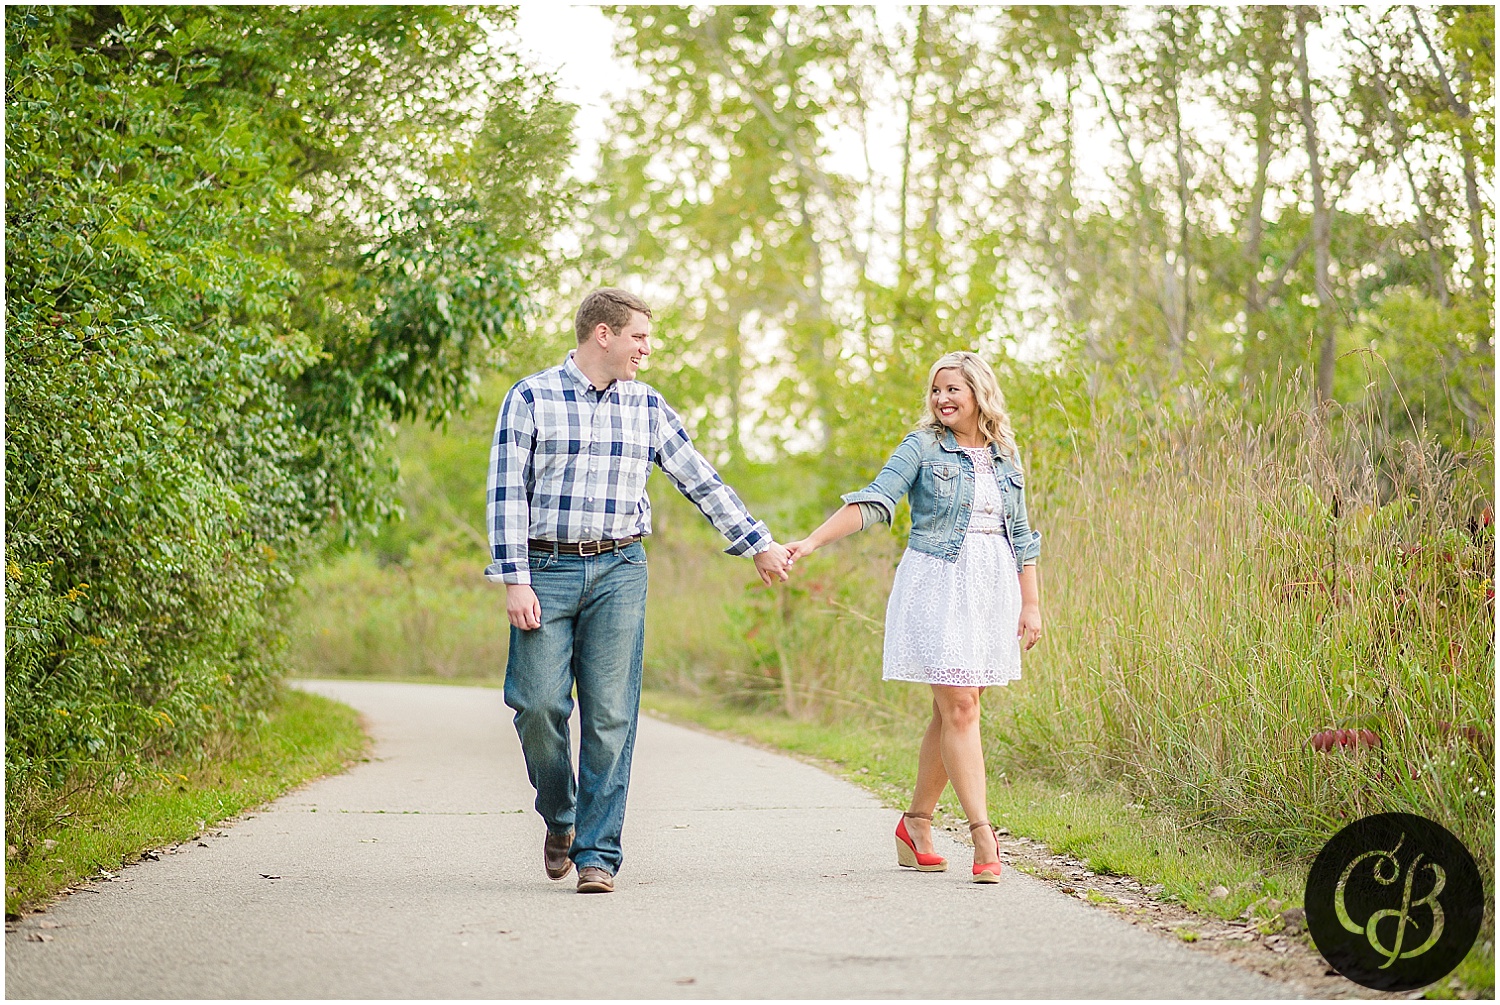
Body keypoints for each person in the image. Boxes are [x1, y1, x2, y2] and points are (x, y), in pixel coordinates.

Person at [486, 288, 792, 894]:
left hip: (621, 569)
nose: (646, 351)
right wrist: (514, 578)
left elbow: (700, 479)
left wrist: (756, 542)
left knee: (610, 716)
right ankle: (562, 816)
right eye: (639, 338)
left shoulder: (647, 406)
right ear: (604, 334)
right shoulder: (530, 398)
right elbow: (505, 493)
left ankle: (599, 855)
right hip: (545, 569)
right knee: (538, 704)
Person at [785, 351, 1042, 883]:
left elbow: (1022, 537)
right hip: (938, 580)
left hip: (992, 587)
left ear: (978, 394)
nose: (942, 399)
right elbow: (875, 501)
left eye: (954, 390)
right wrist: (811, 542)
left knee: (954, 712)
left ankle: (915, 824)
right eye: (936, 390)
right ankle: (983, 836)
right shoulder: (921, 447)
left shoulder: (1005, 459)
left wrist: (1032, 603)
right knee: (962, 709)